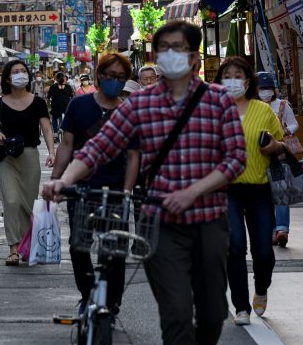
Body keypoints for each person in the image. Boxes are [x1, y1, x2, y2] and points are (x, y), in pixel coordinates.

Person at [44, 20, 246, 345]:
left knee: (212, 314)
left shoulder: (219, 100)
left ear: (194, 58)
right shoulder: (140, 104)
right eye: (163, 49)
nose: (168, 55)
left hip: (209, 221)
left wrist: (193, 191)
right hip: (160, 224)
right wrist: (62, 180)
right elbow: (98, 147)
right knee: (176, 314)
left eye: (177, 48)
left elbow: (236, 159)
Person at [52, 52, 140, 316]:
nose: (115, 81)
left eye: (121, 77)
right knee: (79, 245)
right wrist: (56, 181)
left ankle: (111, 303)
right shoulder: (78, 106)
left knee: (115, 250)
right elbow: (66, 146)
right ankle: (86, 295)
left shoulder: (128, 112)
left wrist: (126, 192)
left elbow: (134, 157)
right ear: (99, 75)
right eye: (111, 75)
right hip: (80, 188)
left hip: (114, 187)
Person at [215, 58, 285, 327]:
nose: (233, 80)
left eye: (238, 75)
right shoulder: (214, 111)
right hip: (227, 188)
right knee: (234, 248)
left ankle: (262, 287)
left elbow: (280, 142)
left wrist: (273, 146)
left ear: (247, 81)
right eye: (227, 75)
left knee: (264, 252)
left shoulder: (263, 110)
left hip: (259, 188)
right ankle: (241, 307)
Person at [0, 59, 56, 265]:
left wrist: (52, 151)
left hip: (30, 155)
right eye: (15, 71)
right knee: (10, 201)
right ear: (8, 78)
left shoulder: (38, 102)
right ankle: (13, 248)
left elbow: (46, 128)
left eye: (23, 71)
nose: (20, 74)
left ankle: (29, 246)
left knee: (27, 203)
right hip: (6, 156)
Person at [257, 72, 299, 248]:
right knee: (265, 195)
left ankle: (282, 230)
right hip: (259, 156)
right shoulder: (252, 107)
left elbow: (294, 123)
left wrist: (287, 130)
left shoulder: (282, 105)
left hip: (280, 152)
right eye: (261, 88)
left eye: (268, 88)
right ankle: (272, 230)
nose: (265, 92)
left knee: (281, 190)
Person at [47, 71, 75, 139]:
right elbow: (71, 96)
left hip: (56, 106)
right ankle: (65, 130)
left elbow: (49, 96)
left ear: (56, 79)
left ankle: (55, 133)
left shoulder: (53, 87)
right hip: (66, 106)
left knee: (54, 118)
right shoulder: (68, 87)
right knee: (66, 117)